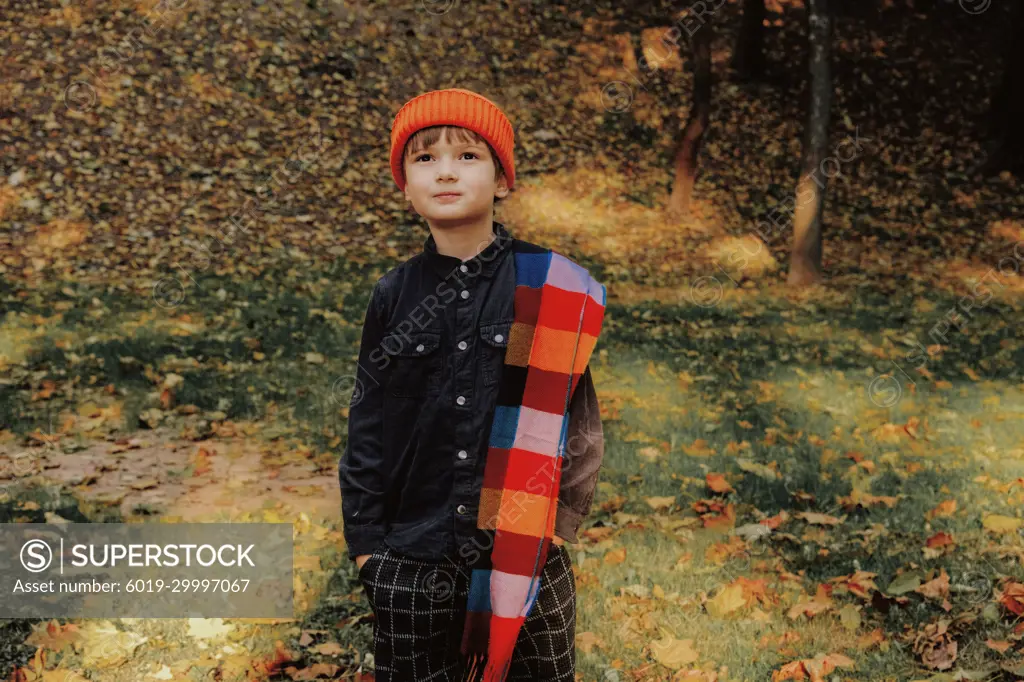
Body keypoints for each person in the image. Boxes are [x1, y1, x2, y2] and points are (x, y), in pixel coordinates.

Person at [338, 87, 606, 682]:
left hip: (525, 550)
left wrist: (558, 528)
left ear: (502, 179)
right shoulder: (392, 295)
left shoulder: (547, 288)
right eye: (424, 159)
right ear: (405, 188)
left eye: (467, 155)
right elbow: (369, 424)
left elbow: (578, 419)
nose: (445, 173)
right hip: (411, 553)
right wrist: (367, 548)